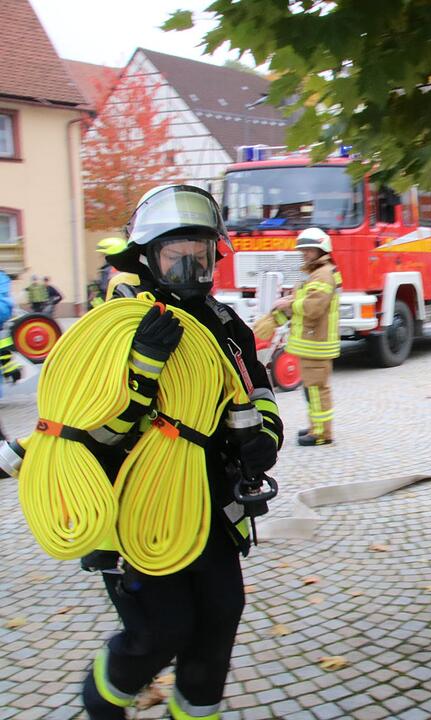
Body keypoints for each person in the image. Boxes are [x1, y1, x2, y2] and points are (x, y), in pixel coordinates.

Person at [63, 184, 284, 720]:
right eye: (176, 254)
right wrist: (142, 369)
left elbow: (258, 393)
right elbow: (94, 433)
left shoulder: (227, 327)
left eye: (202, 254)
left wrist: (264, 441)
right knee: (162, 631)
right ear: (147, 257)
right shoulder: (117, 330)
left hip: (213, 507)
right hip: (144, 511)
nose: (192, 267)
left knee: (218, 620)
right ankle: (102, 701)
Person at [272, 227, 341, 447]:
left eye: (309, 250)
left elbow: (312, 308)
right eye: (303, 250)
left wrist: (289, 303)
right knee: (312, 388)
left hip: (316, 344)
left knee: (316, 389)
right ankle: (316, 427)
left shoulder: (322, 274)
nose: (305, 253)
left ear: (321, 249)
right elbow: (307, 299)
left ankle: (321, 434)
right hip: (313, 342)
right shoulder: (318, 273)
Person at [0, 268, 20, 392]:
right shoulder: (3, 277)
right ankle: (10, 369)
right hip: (3, 314)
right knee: (3, 346)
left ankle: (10, 369)